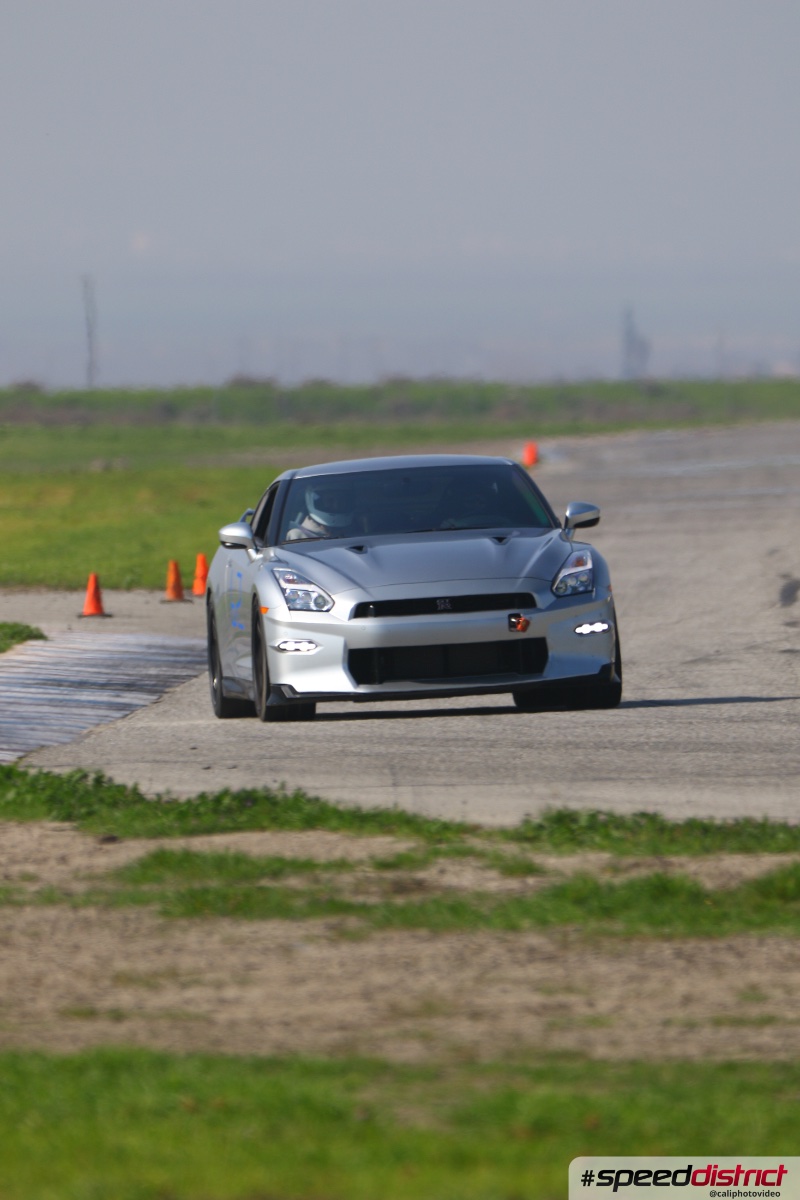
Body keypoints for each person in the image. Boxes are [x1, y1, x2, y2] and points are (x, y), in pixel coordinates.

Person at [285, 481, 359, 539]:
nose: (336, 506)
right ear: (318, 502)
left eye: (341, 500)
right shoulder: (297, 536)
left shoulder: (357, 534)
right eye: (329, 501)